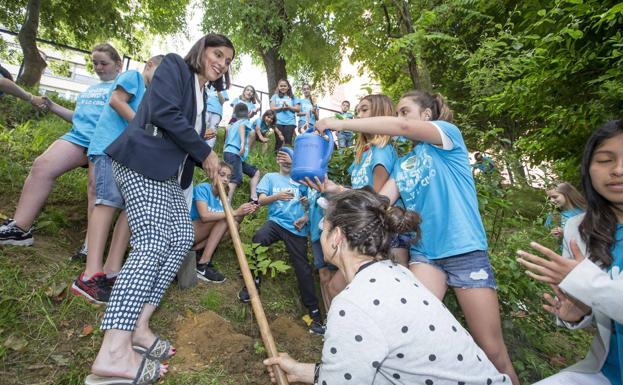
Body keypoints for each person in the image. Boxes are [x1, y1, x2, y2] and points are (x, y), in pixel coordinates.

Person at [313, 90, 520, 385]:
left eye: (404, 111)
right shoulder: (404, 164)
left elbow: (403, 129)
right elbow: (379, 202)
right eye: (396, 113)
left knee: (492, 351)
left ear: (426, 115)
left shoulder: (448, 139)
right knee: (410, 327)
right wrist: (336, 189)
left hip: (464, 249)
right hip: (425, 254)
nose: (399, 119)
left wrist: (340, 123)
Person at [84, 34, 234, 385]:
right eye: (217, 54)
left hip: (167, 175)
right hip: (140, 161)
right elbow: (164, 114)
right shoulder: (175, 66)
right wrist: (205, 152)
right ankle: (113, 351)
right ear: (201, 50)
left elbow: (182, 142)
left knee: (181, 237)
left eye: (227, 61)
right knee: (151, 243)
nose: (221, 63)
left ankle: (139, 326)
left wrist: (207, 166)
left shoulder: (203, 93)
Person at [264, 189, 511, 385]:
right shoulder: (399, 275)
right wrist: (301, 371)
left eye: (323, 228)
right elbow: (367, 370)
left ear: (337, 237)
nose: (320, 234)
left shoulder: (352, 304)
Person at [517, 119, 623, 385]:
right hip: (607, 374)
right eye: (604, 160)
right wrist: (577, 311)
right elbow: (589, 303)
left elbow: (591, 284)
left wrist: (586, 283)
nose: (618, 169)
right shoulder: (578, 228)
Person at [0, 44, 122, 249]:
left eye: (104, 63)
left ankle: (90, 246)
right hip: (78, 137)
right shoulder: (90, 90)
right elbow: (79, 118)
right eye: (94, 63)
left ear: (118, 65)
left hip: (104, 142)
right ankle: (20, 229)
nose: (99, 67)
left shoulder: (125, 85)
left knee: (95, 189)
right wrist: (52, 105)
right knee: (42, 165)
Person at [70, 55, 163, 305]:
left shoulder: (150, 94)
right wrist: (143, 128)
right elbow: (116, 100)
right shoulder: (133, 77)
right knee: (107, 202)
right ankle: (89, 275)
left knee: (124, 206)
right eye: (160, 74)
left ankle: (112, 270)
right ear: (150, 66)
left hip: (128, 155)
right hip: (110, 148)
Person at [238, 147, 324, 335]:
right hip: (276, 223)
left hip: (297, 228)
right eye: (282, 158)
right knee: (258, 238)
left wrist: (305, 206)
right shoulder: (270, 177)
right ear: (277, 160)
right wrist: (276, 196)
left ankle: (314, 313)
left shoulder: (302, 180)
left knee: (303, 269)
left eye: (289, 158)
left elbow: (312, 205)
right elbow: (260, 201)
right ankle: (253, 281)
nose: (285, 162)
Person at [191, 161, 257, 283]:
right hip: (190, 232)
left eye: (228, 177)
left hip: (200, 238)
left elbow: (235, 220)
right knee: (226, 218)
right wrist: (235, 212)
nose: (225, 179)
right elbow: (204, 216)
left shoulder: (223, 198)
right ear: (213, 175)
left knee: (234, 226)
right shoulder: (203, 188)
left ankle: (194, 251)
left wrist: (244, 211)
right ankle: (203, 265)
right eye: (222, 175)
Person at [223, 103, 261, 202]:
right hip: (234, 153)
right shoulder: (244, 122)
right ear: (247, 113)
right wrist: (243, 144)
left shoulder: (232, 125)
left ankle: (253, 197)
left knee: (255, 172)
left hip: (231, 154)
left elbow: (226, 136)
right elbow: (242, 127)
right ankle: (226, 204)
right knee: (235, 178)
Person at [270, 79, 300, 152]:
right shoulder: (275, 96)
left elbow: (298, 109)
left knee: (288, 142)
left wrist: (289, 107)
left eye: (285, 86)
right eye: (281, 86)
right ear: (278, 87)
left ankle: (287, 160)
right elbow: (272, 108)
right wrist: (281, 108)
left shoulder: (293, 97)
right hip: (278, 122)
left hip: (290, 122)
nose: (283, 87)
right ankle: (276, 159)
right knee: (279, 142)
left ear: (288, 87)